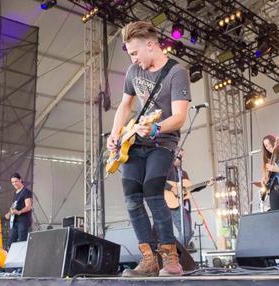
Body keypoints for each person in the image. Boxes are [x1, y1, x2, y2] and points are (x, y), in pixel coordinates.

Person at [106, 21, 190, 277]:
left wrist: (155, 129)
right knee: (131, 196)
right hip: (134, 141)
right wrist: (115, 133)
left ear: (151, 46)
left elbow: (179, 117)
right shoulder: (133, 71)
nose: (132, 59)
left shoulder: (177, 72)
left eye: (134, 53)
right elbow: (125, 106)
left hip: (162, 141)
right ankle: (148, 259)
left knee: (153, 191)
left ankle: (170, 260)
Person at [164, 149, 194, 248]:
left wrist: (206, 184)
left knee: (188, 232)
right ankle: (176, 254)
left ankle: (176, 254)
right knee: (186, 233)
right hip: (173, 204)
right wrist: (172, 188)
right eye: (178, 155)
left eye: (181, 156)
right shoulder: (167, 170)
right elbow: (159, 181)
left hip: (185, 205)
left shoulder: (184, 173)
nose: (179, 158)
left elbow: (189, 189)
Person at [5, 173, 33, 249]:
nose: (14, 184)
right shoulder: (15, 193)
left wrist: (19, 212)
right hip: (15, 221)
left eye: (16, 181)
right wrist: (9, 213)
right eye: (12, 182)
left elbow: (28, 207)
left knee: (22, 241)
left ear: (20, 180)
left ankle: (21, 259)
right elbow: (15, 206)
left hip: (23, 221)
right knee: (10, 242)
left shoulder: (26, 191)